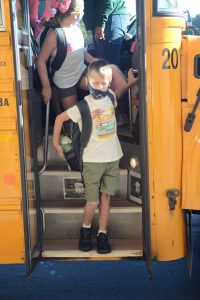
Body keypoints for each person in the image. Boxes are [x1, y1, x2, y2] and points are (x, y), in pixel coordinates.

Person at [52, 59, 137, 254]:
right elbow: (59, 118)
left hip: (112, 158)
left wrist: (130, 83)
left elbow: (118, 93)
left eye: (104, 83)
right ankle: (85, 228)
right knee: (93, 201)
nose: (100, 87)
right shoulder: (82, 106)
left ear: (109, 82)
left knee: (105, 196)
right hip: (91, 161)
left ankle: (102, 233)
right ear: (87, 81)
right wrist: (56, 142)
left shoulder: (109, 98)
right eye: (95, 83)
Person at [83, 0, 130, 68]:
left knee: (110, 66)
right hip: (99, 21)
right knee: (104, 66)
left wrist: (101, 24)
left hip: (110, 17)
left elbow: (108, 1)